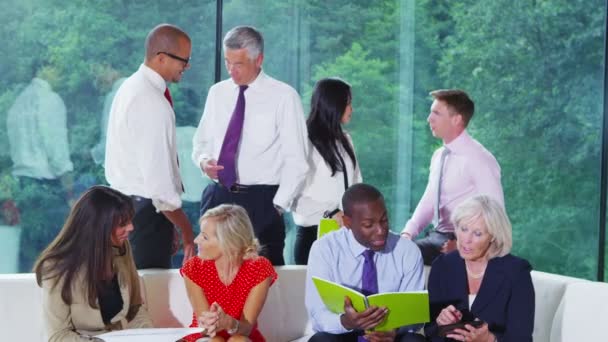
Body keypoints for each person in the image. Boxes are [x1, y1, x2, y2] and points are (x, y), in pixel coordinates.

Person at [192, 25, 308, 266]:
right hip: (218, 198)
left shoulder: (284, 97)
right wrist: (204, 161)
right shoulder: (217, 93)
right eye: (227, 62)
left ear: (259, 59)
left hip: (262, 202)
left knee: (262, 282)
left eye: (239, 64)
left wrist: (276, 207)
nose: (231, 71)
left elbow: (297, 160)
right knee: (213, 277)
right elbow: (201, 142)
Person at [105, 23, 195, 269]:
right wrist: (186, 230)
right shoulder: (150, 101)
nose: (186, 67)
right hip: (144, 214)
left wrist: (167, 221)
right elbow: (159, 187)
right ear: (161, 58)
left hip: (134, 209)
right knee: (148, 296)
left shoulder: (132, 87)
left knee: (136, 290)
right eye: (183, 61)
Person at [305, 183, 425, 342]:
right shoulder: (324, 249)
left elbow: (414, 313)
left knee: (414, 340)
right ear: (347, 222)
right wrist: (346, 322)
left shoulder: (407, 251)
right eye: (369, 225)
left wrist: (394, 330)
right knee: (321, 340)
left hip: (391, 335)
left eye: (384, 220)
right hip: (346, 332)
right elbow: (317, 313)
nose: (381, 231)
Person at [33, 186, 153, 341]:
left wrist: (150, 336)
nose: (131, 227)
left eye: (129, 220)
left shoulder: (121, 249)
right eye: (122, 224)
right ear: (99, 227)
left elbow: (135, 309)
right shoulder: (56, 267)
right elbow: (59, 335)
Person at [401, 89, 504, 265]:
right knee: (396, 253)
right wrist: (408, 233)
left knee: (404, 259)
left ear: (456, 119)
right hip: (437, 237)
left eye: (436, 113)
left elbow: (496, 213)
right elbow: (429, 201)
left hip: (462, 240)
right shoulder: (439, 155)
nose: (429, 119)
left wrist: (464, 245)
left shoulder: (480, 159)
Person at [425, 195, 534, 342]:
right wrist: (440, 323)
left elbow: (522, 338)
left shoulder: (516, 272)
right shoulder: (442, 266)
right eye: (463, 229)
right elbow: (430, 330)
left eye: (477, 233)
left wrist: (490, 339)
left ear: (493, 237)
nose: (466, 240)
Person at [6, 66, 74, 271]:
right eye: (56, 67)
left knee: (29, 260)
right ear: (44, 69)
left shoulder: (17, 105)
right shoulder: (51, 100)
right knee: (57, 260)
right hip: (48, 190)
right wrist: (70, 192)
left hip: (25, 188)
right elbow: (57, 151)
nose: (61, 73)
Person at [180, 204, 277, 342]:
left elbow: (246, 328)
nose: (196, 240)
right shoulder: (193, 267)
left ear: (229, 242)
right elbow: (206, 329)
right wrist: (213, 323)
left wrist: (229, 323)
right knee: (216, 341)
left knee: (238, 340)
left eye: (205, 237)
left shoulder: (259, 268)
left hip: (242, 337)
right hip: (205, 337)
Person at [292, 77, 362, 265]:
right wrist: (330, 212)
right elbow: (293, 196)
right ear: (333, 104)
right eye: (348, 103)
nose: (351, 109)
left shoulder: (346, 140)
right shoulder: (304, 141)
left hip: (346, 235)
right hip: (314, 234)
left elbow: (357, 183)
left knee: (346, 294)